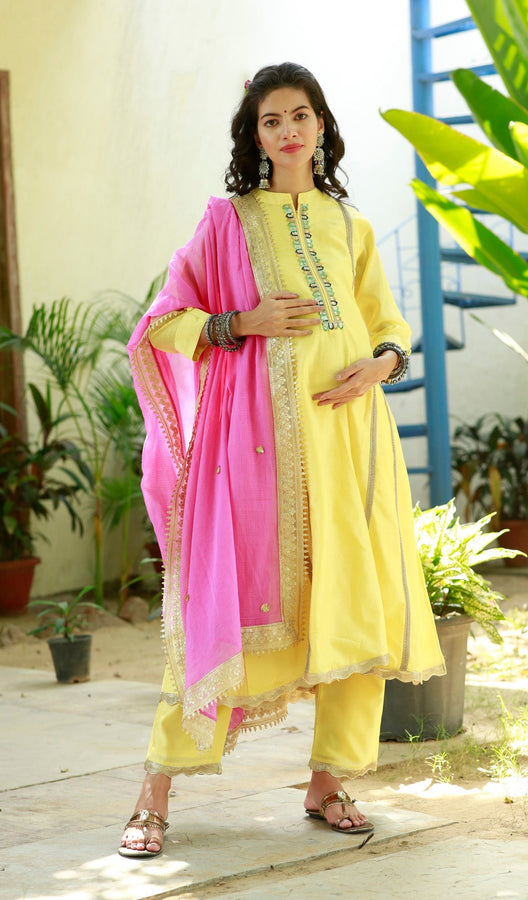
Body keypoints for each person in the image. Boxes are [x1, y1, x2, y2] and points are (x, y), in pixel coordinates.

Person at [120, 62, 445, 858]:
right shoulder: (226, 223)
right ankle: (154, 791)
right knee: (225, 608)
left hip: (349, 441)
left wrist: (383, 363)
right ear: (256, 136)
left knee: (354, 601)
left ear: (321, 125)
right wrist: (241, 322)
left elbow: (388, 324)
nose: (289, 130)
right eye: (272, 120)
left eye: (300, 115)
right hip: (253, 449)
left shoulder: (350, 225)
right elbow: (162, 324)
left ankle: (329, 780)